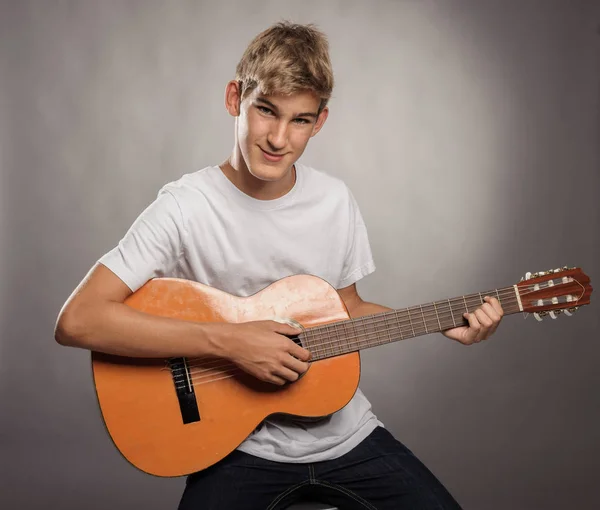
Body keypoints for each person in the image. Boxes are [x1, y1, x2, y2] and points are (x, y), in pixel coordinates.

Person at [55, 21, 503, 510]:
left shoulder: (334, 200)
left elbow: (345, 309)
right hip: (236, 449)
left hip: (346, 438)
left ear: (320, 122)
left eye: (300, 120)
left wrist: (446, 325)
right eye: (265, 111)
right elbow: (78, 320)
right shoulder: (185, 206)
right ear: (235, 99)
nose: (278, 138)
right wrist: (230, 342)